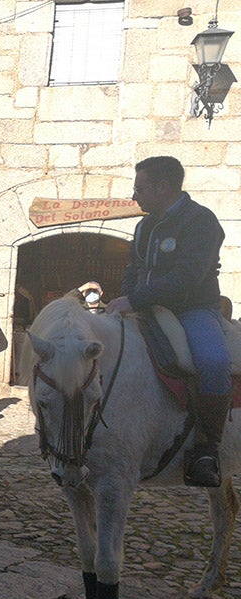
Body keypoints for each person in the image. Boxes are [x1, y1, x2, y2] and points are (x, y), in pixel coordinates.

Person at [107, 155, 229, 487]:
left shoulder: (202, 222)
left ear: (163, 187)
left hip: (192, 310)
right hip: (145, 309)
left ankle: (207, 449)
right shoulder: (144, 226)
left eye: (140, 188)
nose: (135, 197)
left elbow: (188, 277)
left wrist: (133, 299)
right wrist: (126, 301)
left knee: (214, 361)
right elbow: (133, 270)